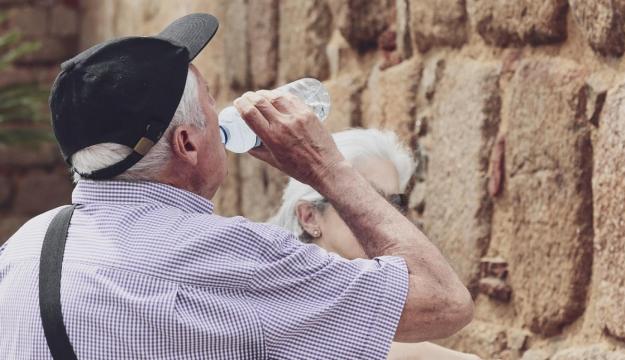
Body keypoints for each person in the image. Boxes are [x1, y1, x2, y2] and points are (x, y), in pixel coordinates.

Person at [0, 13, 473, 359]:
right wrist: (325, 167)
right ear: (186, 143)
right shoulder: (227, 259)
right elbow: (444, 302)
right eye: (209, 101)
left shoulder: (23, 250)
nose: (220, 110)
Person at [271, 128, 480, 360]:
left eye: (395, 203)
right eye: (363, 200)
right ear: (309, 217)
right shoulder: (279, 293)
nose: (384, 216)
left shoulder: (383, 298)